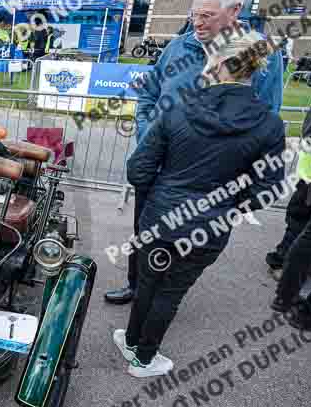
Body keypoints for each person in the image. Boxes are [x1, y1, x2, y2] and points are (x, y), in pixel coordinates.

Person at [105, 0, 285, 305]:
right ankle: (137, 286)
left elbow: (267, 116)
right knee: (144, 234)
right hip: (158, 170)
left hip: (212, 180)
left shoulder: (262, 54)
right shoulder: (178, 46)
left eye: (207, 15)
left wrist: (237, 188)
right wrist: (147, 137)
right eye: (194, 13)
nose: (197, 22)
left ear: (235, 10)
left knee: (188, 250)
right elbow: (148, 94)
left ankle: (163, 299)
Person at [117, 31, 285, 377]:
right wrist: (230, 205)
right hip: (207, 225)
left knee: (153, 284)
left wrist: (163, 195)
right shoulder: (269, 123)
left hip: (163, 216)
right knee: (167, 290)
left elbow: (139, 169)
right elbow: (267, 189)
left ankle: (141, 355)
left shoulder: (179, 109)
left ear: (217, 63)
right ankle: (137, 348)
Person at [271, 106, 311, 331]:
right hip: (310, 177)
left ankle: (286, 295)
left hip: (310, 175)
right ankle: (289, 296)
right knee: (302, 231)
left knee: (306, 235)